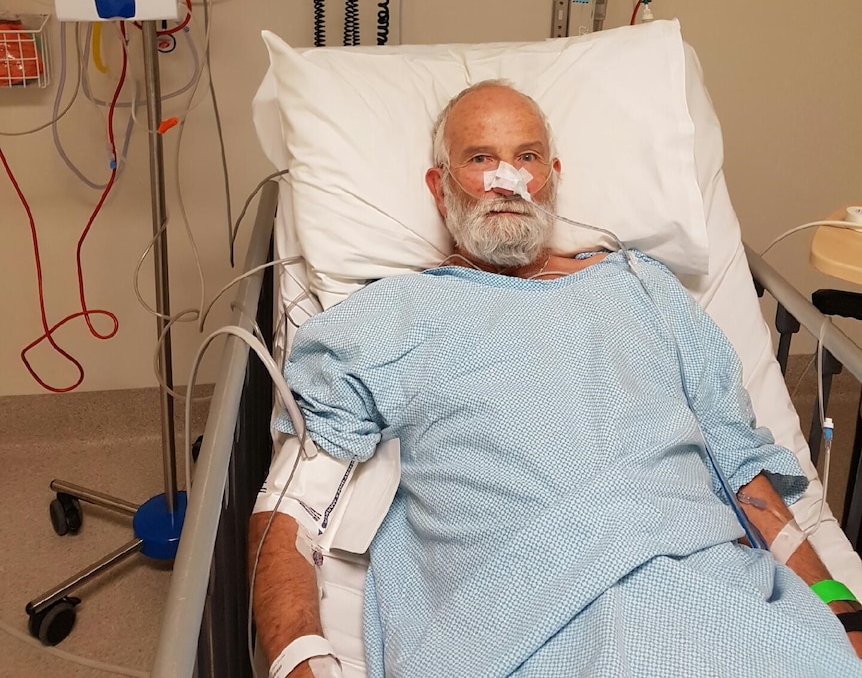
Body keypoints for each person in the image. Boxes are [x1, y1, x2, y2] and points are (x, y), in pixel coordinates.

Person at [250, 81, 862, 678]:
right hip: (516, 624)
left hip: (710, 595)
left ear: (552, 177)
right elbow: (290, 509)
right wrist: (300, 662)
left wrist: (838, 604)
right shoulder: (390, 318)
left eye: (527, 157)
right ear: (440, 189)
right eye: (480, 158)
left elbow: (740, 466)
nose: (507, 179)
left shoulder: (642, 287)